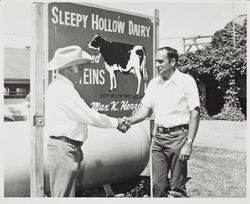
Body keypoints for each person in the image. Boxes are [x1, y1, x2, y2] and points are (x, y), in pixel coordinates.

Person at [45, 45, 127, 197]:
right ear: (69, 68)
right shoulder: (62, 90)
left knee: (65, 194)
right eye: (80, 67)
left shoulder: (62, 87)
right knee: (63, 196)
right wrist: (116, 123)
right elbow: (88, 115)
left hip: (67, 148)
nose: (83, 71)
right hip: (65, 148)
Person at [122, 46, 200, 197]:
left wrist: (189, 143)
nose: (157, 64)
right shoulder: (154, 83)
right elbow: (144, 110)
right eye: (156, 61)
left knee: (177, 188)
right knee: (157, 186)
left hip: (178, 138)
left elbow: (195, 113)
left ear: (172, 62)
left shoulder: (186, 81)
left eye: (160, 61)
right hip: (158, 139)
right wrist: (128, 121)